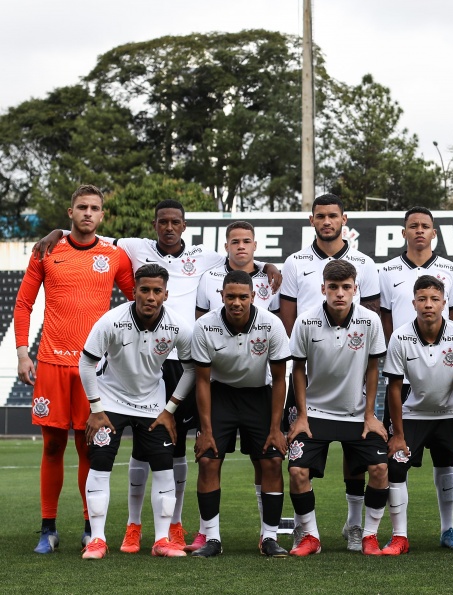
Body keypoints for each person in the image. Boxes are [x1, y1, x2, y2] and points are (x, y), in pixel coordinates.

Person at [34, 200, 281, 552]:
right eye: (162, 222)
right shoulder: (135, 249)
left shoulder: (205, 257)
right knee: (133, 453)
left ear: (184, 226)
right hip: (134, 364)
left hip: (179, 355)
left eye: (175, 222)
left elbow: (240, 260)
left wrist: (267, 264)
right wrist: (58, 232)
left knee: (173, 450)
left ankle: (173, 528)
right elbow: (90, 234)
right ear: (155, 225)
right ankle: (128, 528)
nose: (168, 227)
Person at [14, 184, 135, 553]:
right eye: (81, 207)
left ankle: (89, 527)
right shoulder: (47, 250)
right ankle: (47, 529)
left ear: (102, 215)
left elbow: (137, 299)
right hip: (50, 363)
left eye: (94, 208)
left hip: (93, 369)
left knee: (89, 447)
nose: (87, 212)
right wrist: (22, 353)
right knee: (52, 446)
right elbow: (23, 305)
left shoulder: (114, 255)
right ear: (70, 213)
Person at [279, 193, 380, 552]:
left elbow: (371, 323)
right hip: (310, 376)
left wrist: (370, 409)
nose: (326, 221)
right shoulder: (294, 262)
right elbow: (288, 316)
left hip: (351, 382)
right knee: (295, 462)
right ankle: (307, 532)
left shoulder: (365, 264)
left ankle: (356, 528)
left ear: (344, 219)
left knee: (358, 464)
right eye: (320, 215)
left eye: (332, 215)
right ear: (312, 220)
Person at [78, 264, 194, 559]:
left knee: (164, 467)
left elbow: (191, 369)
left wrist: (170, 408)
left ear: (166, 294)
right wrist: (95, 407)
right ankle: (98, 540)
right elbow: (86, 363)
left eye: (157, 291)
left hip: (152, 404)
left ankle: (161, 540)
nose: (150, 297)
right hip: (110, 401)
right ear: (134, 291)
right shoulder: (111, 320)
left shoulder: (178, 326)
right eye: (145, 290)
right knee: (100, 463)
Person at [378, 207, 453, 550]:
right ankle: (397, 533)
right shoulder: (386, 271)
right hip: (403, 370)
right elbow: (385, 318)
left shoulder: (450, 271)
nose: (419, 231)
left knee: (446, 459)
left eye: (425, 226)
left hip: (441, 373)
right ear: (403, 232)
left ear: (434, 233)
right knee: (394, 456)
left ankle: (448, 530)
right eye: (413, 226)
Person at [188, 221, 281, 552]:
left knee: (271, 461)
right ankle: (211, 537)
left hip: (259, 394)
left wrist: (275, 427)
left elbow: (280, 377)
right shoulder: (204, 327)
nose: (237, 302)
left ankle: (269, 537)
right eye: (231, 296)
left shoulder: (271, 324)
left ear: (254, 296)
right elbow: (201, 380)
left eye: (243, 296)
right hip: (220, 395)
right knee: (209, 458)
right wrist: (206, 430)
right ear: (221, 296)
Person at [382, 275, 453, 556]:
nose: (429, 305)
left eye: (435, 299)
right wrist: (398, 434)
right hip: (412, 415)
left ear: (444, 303)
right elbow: (393, 388)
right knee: (395, 466)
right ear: (413, 303)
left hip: (450, 415)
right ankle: (400, 536)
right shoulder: (400, 337)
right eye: (423, 299)